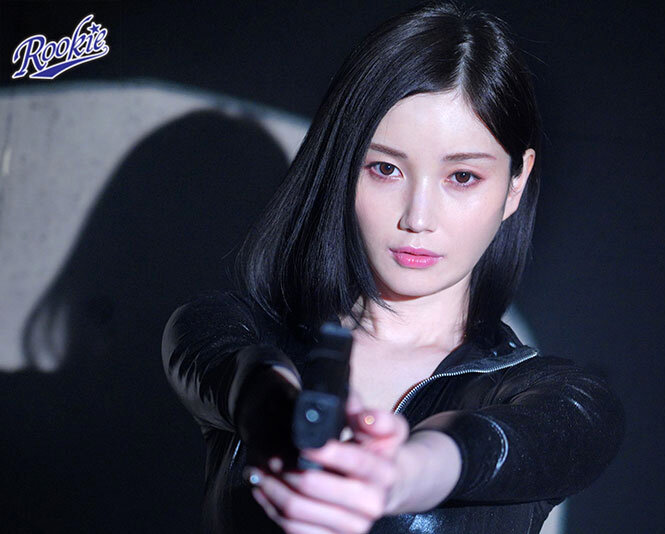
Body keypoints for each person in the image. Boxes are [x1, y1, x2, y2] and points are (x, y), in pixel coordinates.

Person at [161, 2, 625, 533]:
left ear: (515, 184)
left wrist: (401, 474)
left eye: (463, 177)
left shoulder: (557, 399)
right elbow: (234, 368)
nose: (417, 218)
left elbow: (510, 442)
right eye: (385, 168)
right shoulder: (233, 332)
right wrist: (285, 417)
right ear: (345, 168)